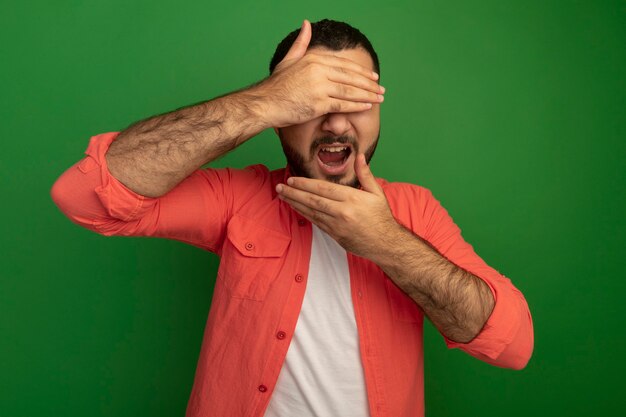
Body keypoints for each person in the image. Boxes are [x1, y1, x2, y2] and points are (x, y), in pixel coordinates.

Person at [51, 18, 533, 417]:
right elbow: (85, 196)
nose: (338, 123)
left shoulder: (414, 210)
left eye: (356, 102)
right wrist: (262, 100)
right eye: (316, 102)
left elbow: (512, 344)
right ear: (284, 113)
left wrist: (385, 241)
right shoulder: (239, 198)